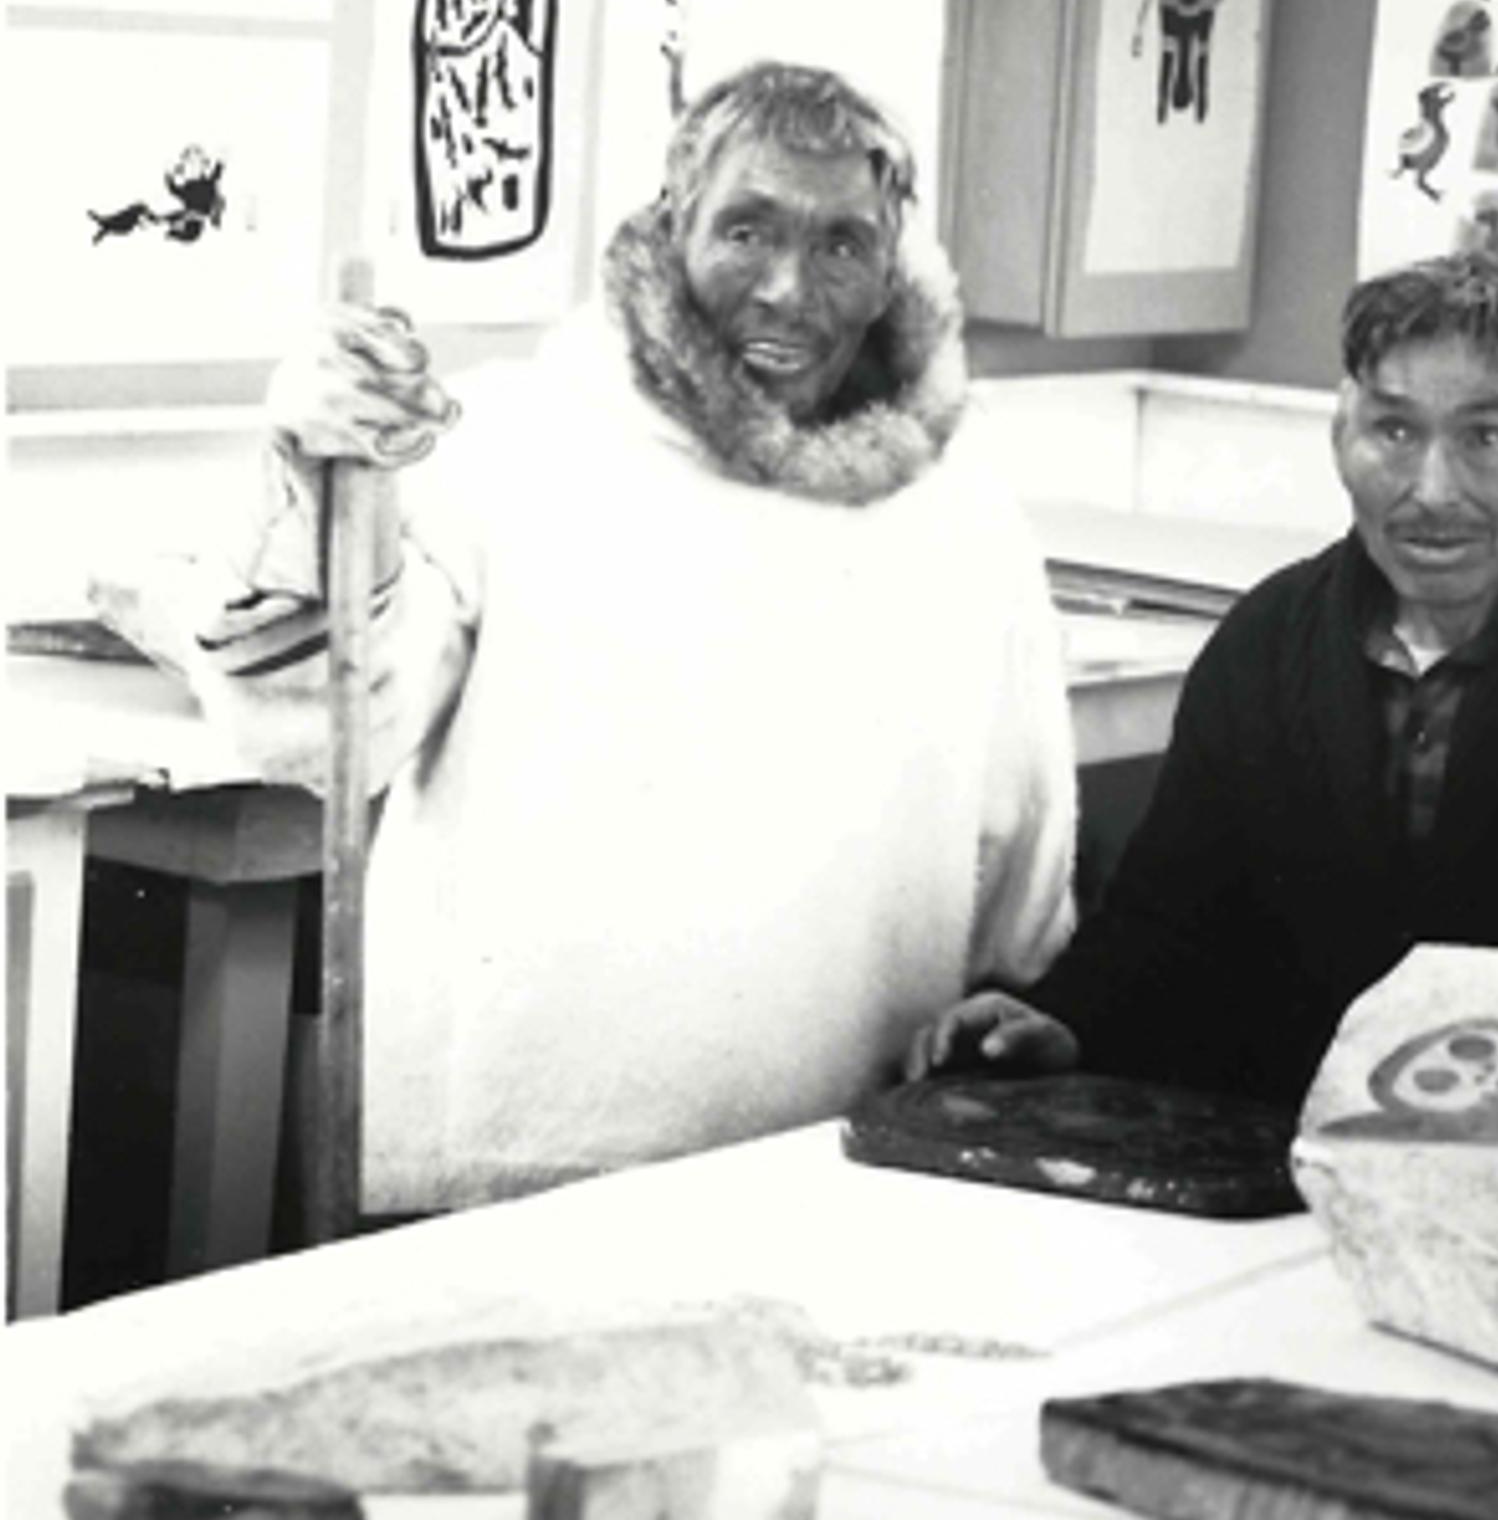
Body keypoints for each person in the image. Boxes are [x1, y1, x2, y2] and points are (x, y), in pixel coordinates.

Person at [147, 63, 1076, 1213]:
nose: (789, 288)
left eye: (841, 243)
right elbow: (324, 726)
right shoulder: (512, 443)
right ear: (672, 221)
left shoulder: (964, 517)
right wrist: (317, 474)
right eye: (747, 229)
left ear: (895, 263)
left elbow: (1024, 907)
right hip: (510, 1176)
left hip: (841, 1172)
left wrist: (1022, 1028)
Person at [911, 254, 1498, 1106]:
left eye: (1484, 436)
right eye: (1394, 431)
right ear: (1340, 436)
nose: (1433, 490)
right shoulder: (1265, 644)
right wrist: (1063, 1019)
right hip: (1271, 1182)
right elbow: (1164, 923)